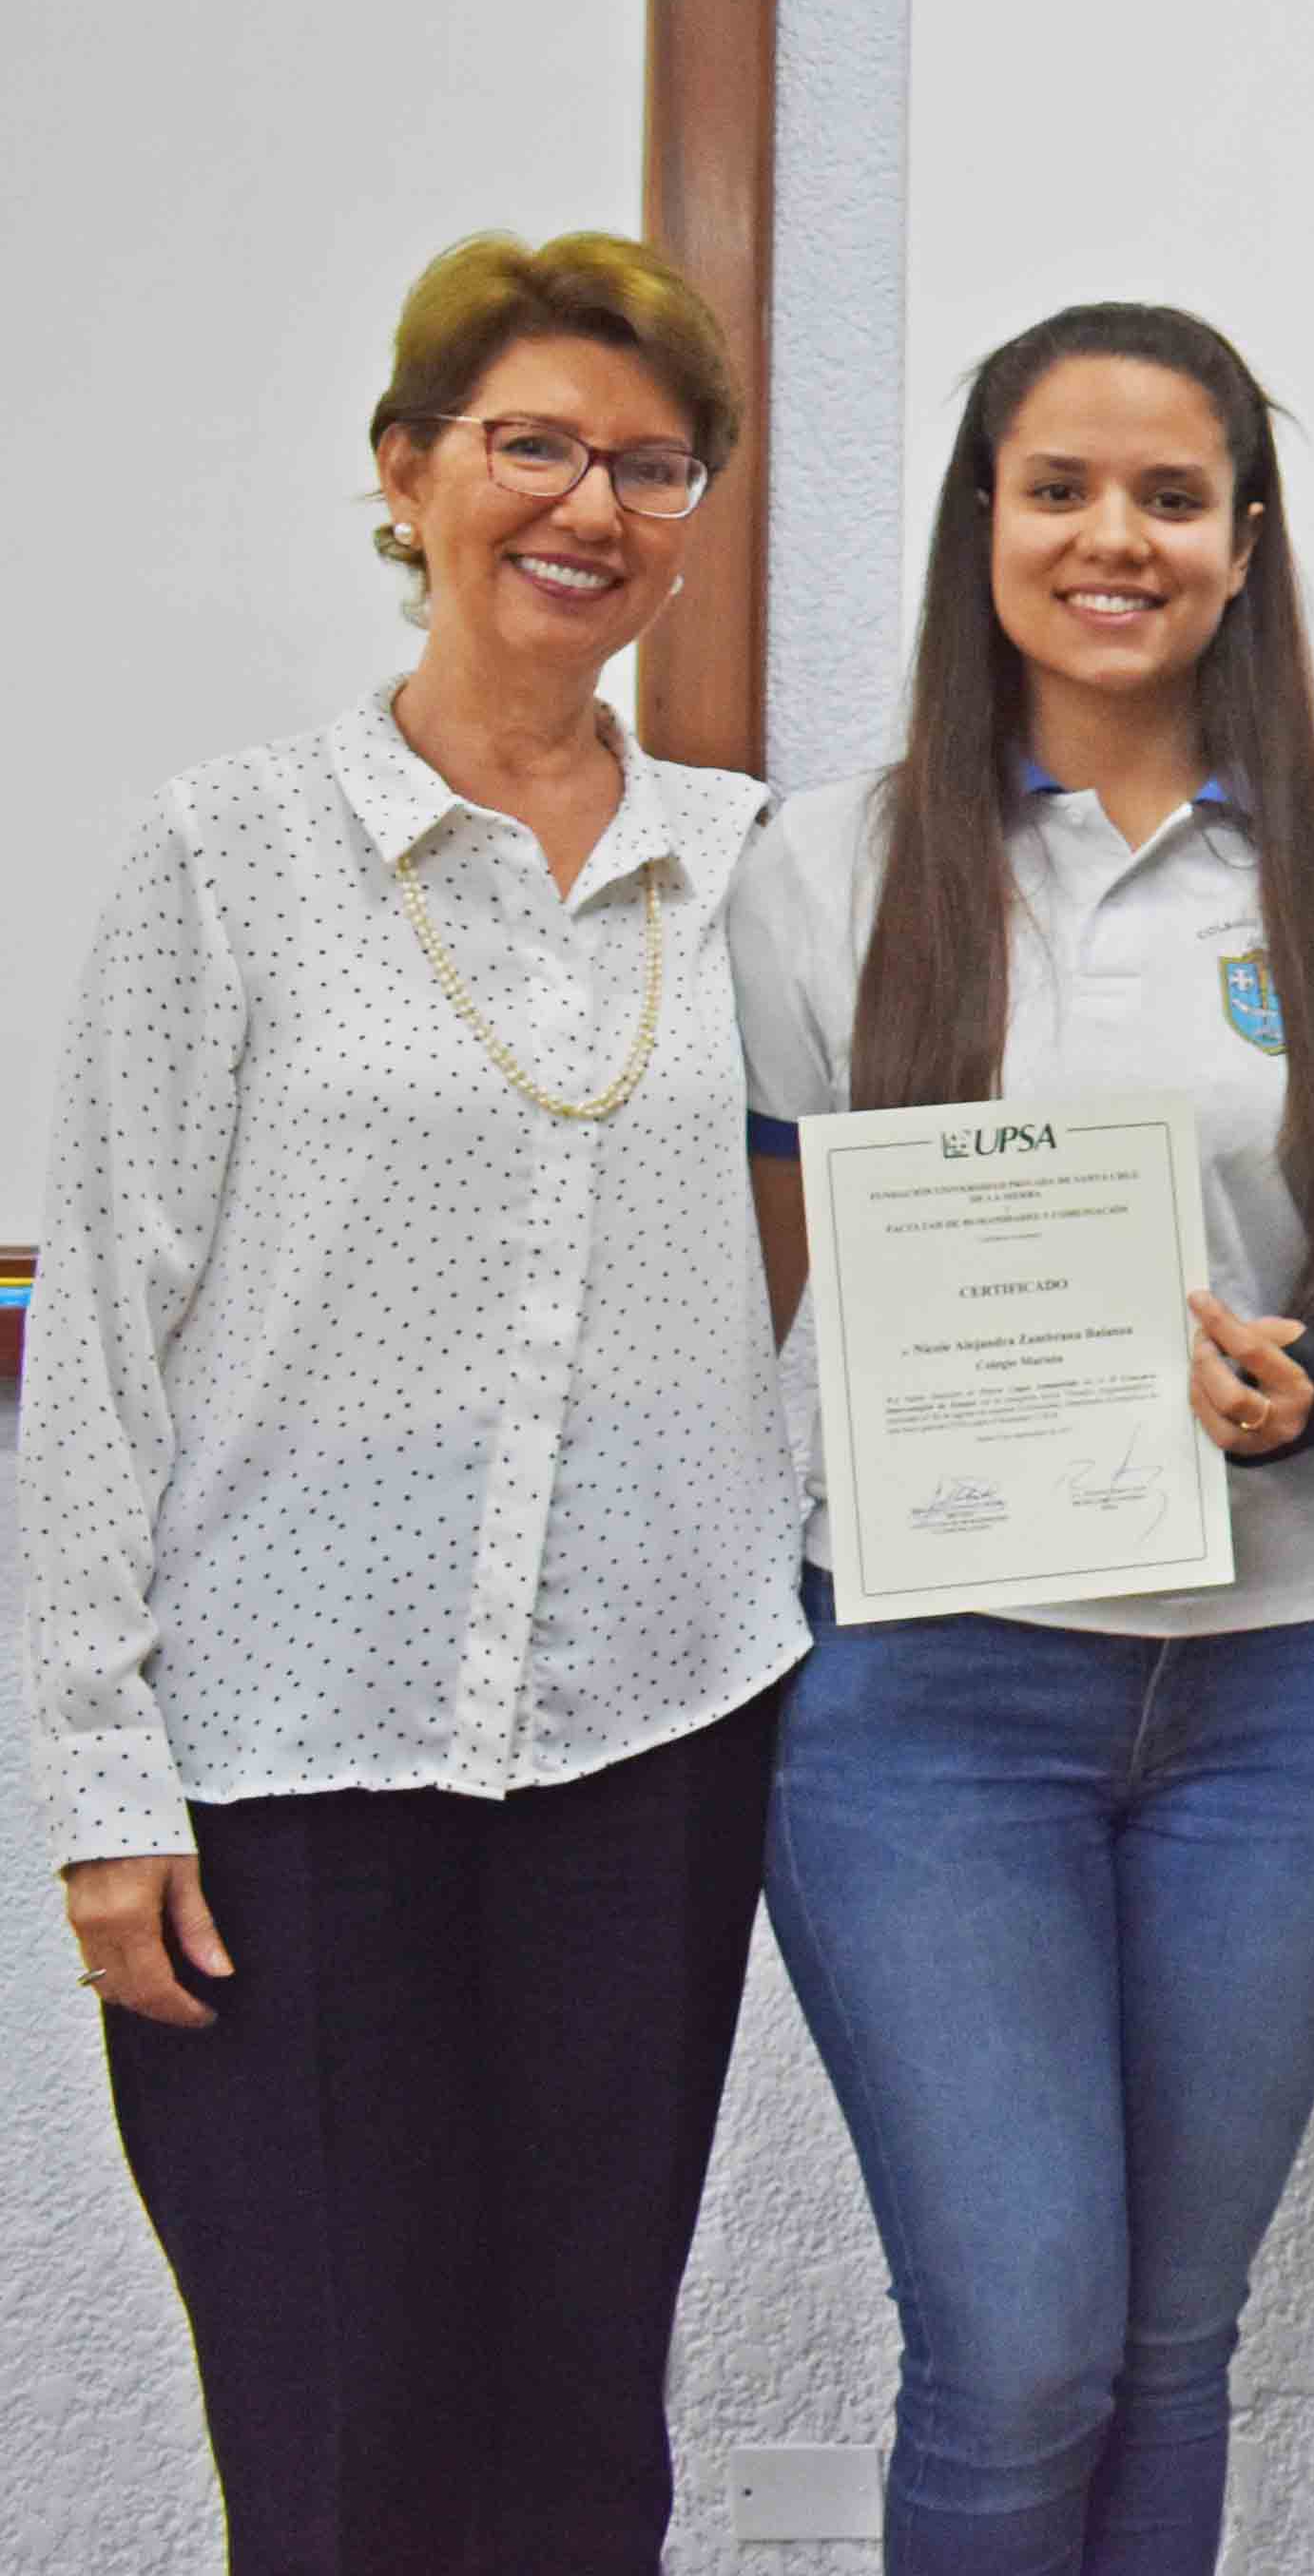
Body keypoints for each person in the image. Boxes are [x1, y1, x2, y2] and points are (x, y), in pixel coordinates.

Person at [26, 230, 790, 2569]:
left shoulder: (758, 867)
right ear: (407, 472)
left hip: (651, 1743)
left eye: (648, 464)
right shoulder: (226, 854)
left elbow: (1024, 1062)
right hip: (282, 1764)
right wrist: (93, 1766)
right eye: (529, 442)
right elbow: (103, 1325)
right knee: (341, 2445)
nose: (588, 503)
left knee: (584, 2445)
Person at [730, 303, 1314, 2575]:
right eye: (1058, 486)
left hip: (1292, 1683)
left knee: (1174, 2337)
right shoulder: (830, 868)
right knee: (1019, 2334)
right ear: (984, 523)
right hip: (933, 1687)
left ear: (1243, 544)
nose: (1112, 536)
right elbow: (776, 1279)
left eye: (1171, 494)